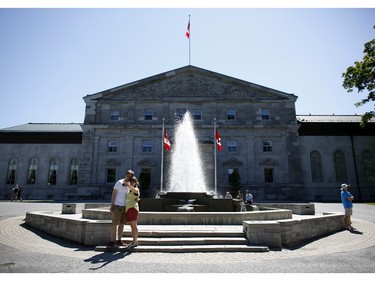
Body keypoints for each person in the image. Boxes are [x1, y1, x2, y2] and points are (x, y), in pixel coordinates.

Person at [107, 169, 134, 247]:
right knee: (114, 223)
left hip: (126, 206)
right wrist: (112, 205)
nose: (128, 177)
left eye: (130, 176)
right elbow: (114, 194)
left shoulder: (131, 185)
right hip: (117, 205)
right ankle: (112, 240)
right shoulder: (119, 182)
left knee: (122, 223)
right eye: (128, 175)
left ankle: (119, 239)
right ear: (125, 175)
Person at [125, 176, 140, 248]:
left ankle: (135, 241)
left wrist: (128, 184)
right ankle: (134, 241)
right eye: (130, 181)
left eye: (133, 181)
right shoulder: (129, 190)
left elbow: (135, 191)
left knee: (134, 226)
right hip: (128, 209)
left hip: (133, 208)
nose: (131, 182)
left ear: (136, 183)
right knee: (132, 226)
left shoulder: (136, 189)